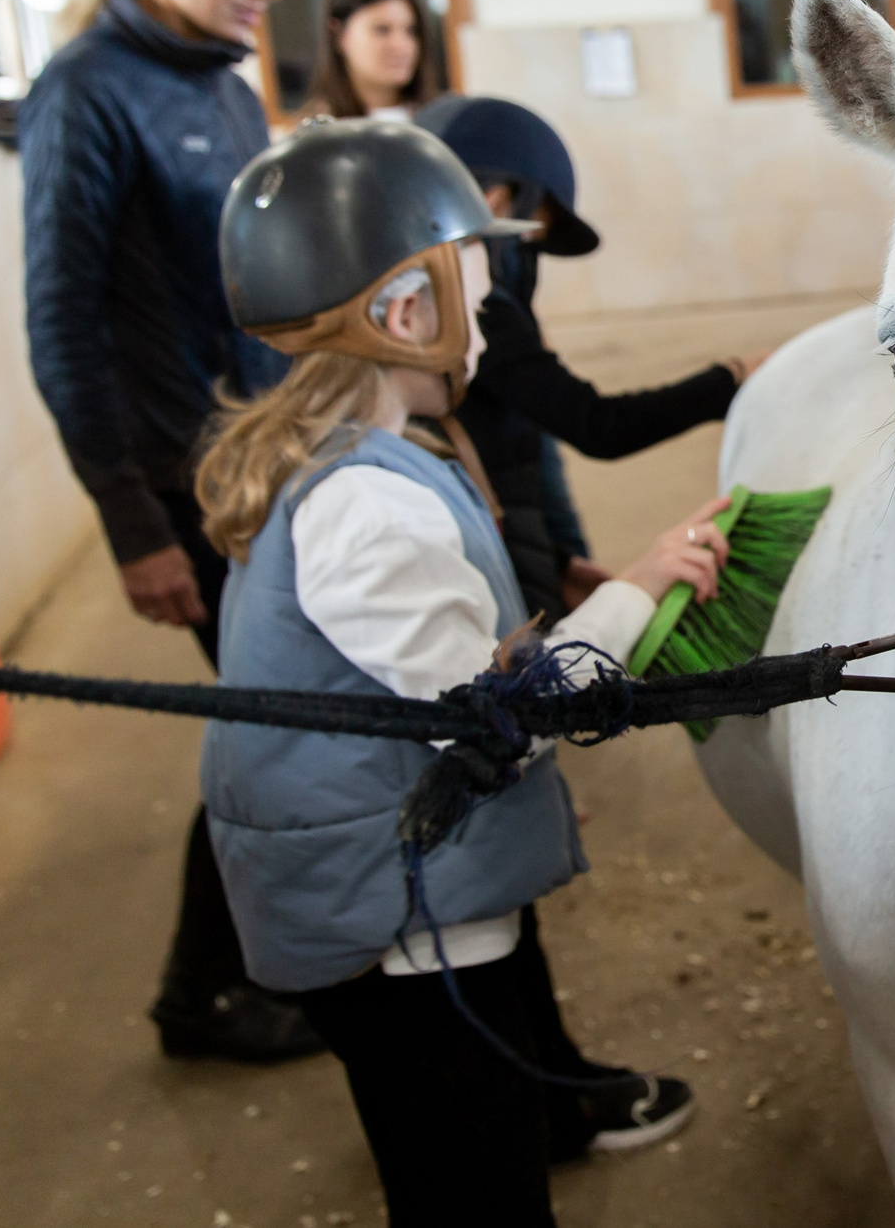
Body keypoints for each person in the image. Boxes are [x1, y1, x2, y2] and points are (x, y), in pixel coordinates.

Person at [199, 119, 723, 1227]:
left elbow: (437, 670)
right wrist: (643, 582)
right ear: (405, 313)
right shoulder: (369, 504)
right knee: (474, 1197)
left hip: (393, 899)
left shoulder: (359, 462)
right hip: (396, 931)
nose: (489, 328)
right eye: (478, 300)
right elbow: (503, 723)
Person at [18, 0, 321, 1063]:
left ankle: (225, 975)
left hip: (253, 459)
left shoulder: (223, 87)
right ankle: (204, 992)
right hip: (178, 477)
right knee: (273, 718)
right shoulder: (85, 90)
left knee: (278, 716)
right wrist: (131, 522)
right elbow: (62, 318)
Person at [418, 95, 760, 620]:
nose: (526, 255)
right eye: (531, 233)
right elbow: (597, 424)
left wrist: (553, 563)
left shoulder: (452, 309)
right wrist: (730, 379)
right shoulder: (479, 313)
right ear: (494, 202)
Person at [296, 0, 443, 121]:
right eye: (382, 30)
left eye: (411, 31)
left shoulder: (444, 121)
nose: (401, 45)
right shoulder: (316, 130)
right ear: (338, 35)